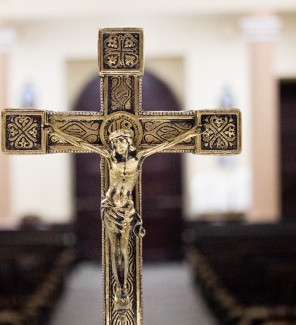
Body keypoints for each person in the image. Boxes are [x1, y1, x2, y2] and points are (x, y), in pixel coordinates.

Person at [45, 121, 202, 307]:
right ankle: (120, 288)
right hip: (111, 208)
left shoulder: (138, 157)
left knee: (124, 249)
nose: (118, 145)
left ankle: (123, 287)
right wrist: (56, 132)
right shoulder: (109, 157)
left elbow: (166, 144)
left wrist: (192, 132)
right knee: (116, 250)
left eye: (122, 141)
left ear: (128, 142)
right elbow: (81, 144)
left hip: (127, 209)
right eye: (116, 142)